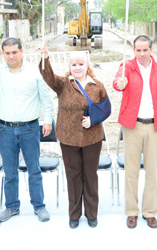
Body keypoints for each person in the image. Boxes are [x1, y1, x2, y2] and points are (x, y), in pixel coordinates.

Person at [0, 33, 53, 223]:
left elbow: (46, 98)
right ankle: (11, 207)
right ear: (3, 54)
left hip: (30, 129)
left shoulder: (35, 71)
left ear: (21, 51)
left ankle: (39, 206)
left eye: (14, 52)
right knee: (10, 172)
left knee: (34, 169)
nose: (11, 56)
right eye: (7, 53)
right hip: (5, 130)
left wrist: (48, 120)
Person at [39, 46, 107, 229]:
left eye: (81, 64)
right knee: (73, 176)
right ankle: (74, 215)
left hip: (92, 138)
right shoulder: (62, 84)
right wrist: (45, 58)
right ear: (70, 66)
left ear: (87, 65)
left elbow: (106, 109)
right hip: (68, 139)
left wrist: (93, 119)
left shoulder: (97, 85)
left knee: (90, 176)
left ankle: (92, 214)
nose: (77, 67)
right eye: (74, 64)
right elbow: (48, 77)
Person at [113, 35, 157, 229]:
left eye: (145, 50)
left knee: (151, 171)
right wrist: (119, 84)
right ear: (134, 51)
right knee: (131, 171)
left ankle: (149, 212)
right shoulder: (126, 67)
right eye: (138, 50)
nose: (141, 54)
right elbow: (117, 83)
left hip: (155, 127)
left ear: (151, 50)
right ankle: (131, 211)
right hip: (132, 127)